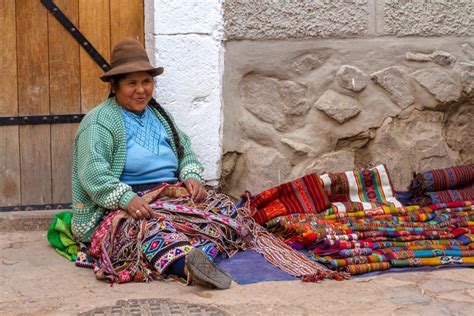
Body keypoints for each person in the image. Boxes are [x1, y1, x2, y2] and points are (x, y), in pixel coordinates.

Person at [71, 38, 233, 289]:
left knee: (224, 209)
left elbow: (186, 152)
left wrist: (191, 176)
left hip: (171, 195)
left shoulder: (159, 116)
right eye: (132, 83)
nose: (141, 90)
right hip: (126, 204)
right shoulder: (99, 122)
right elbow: (92, 174)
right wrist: (126, 199)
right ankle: (187, 265)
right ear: (115, 87)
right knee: (147, 228)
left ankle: (200, 254)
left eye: (146, 82)